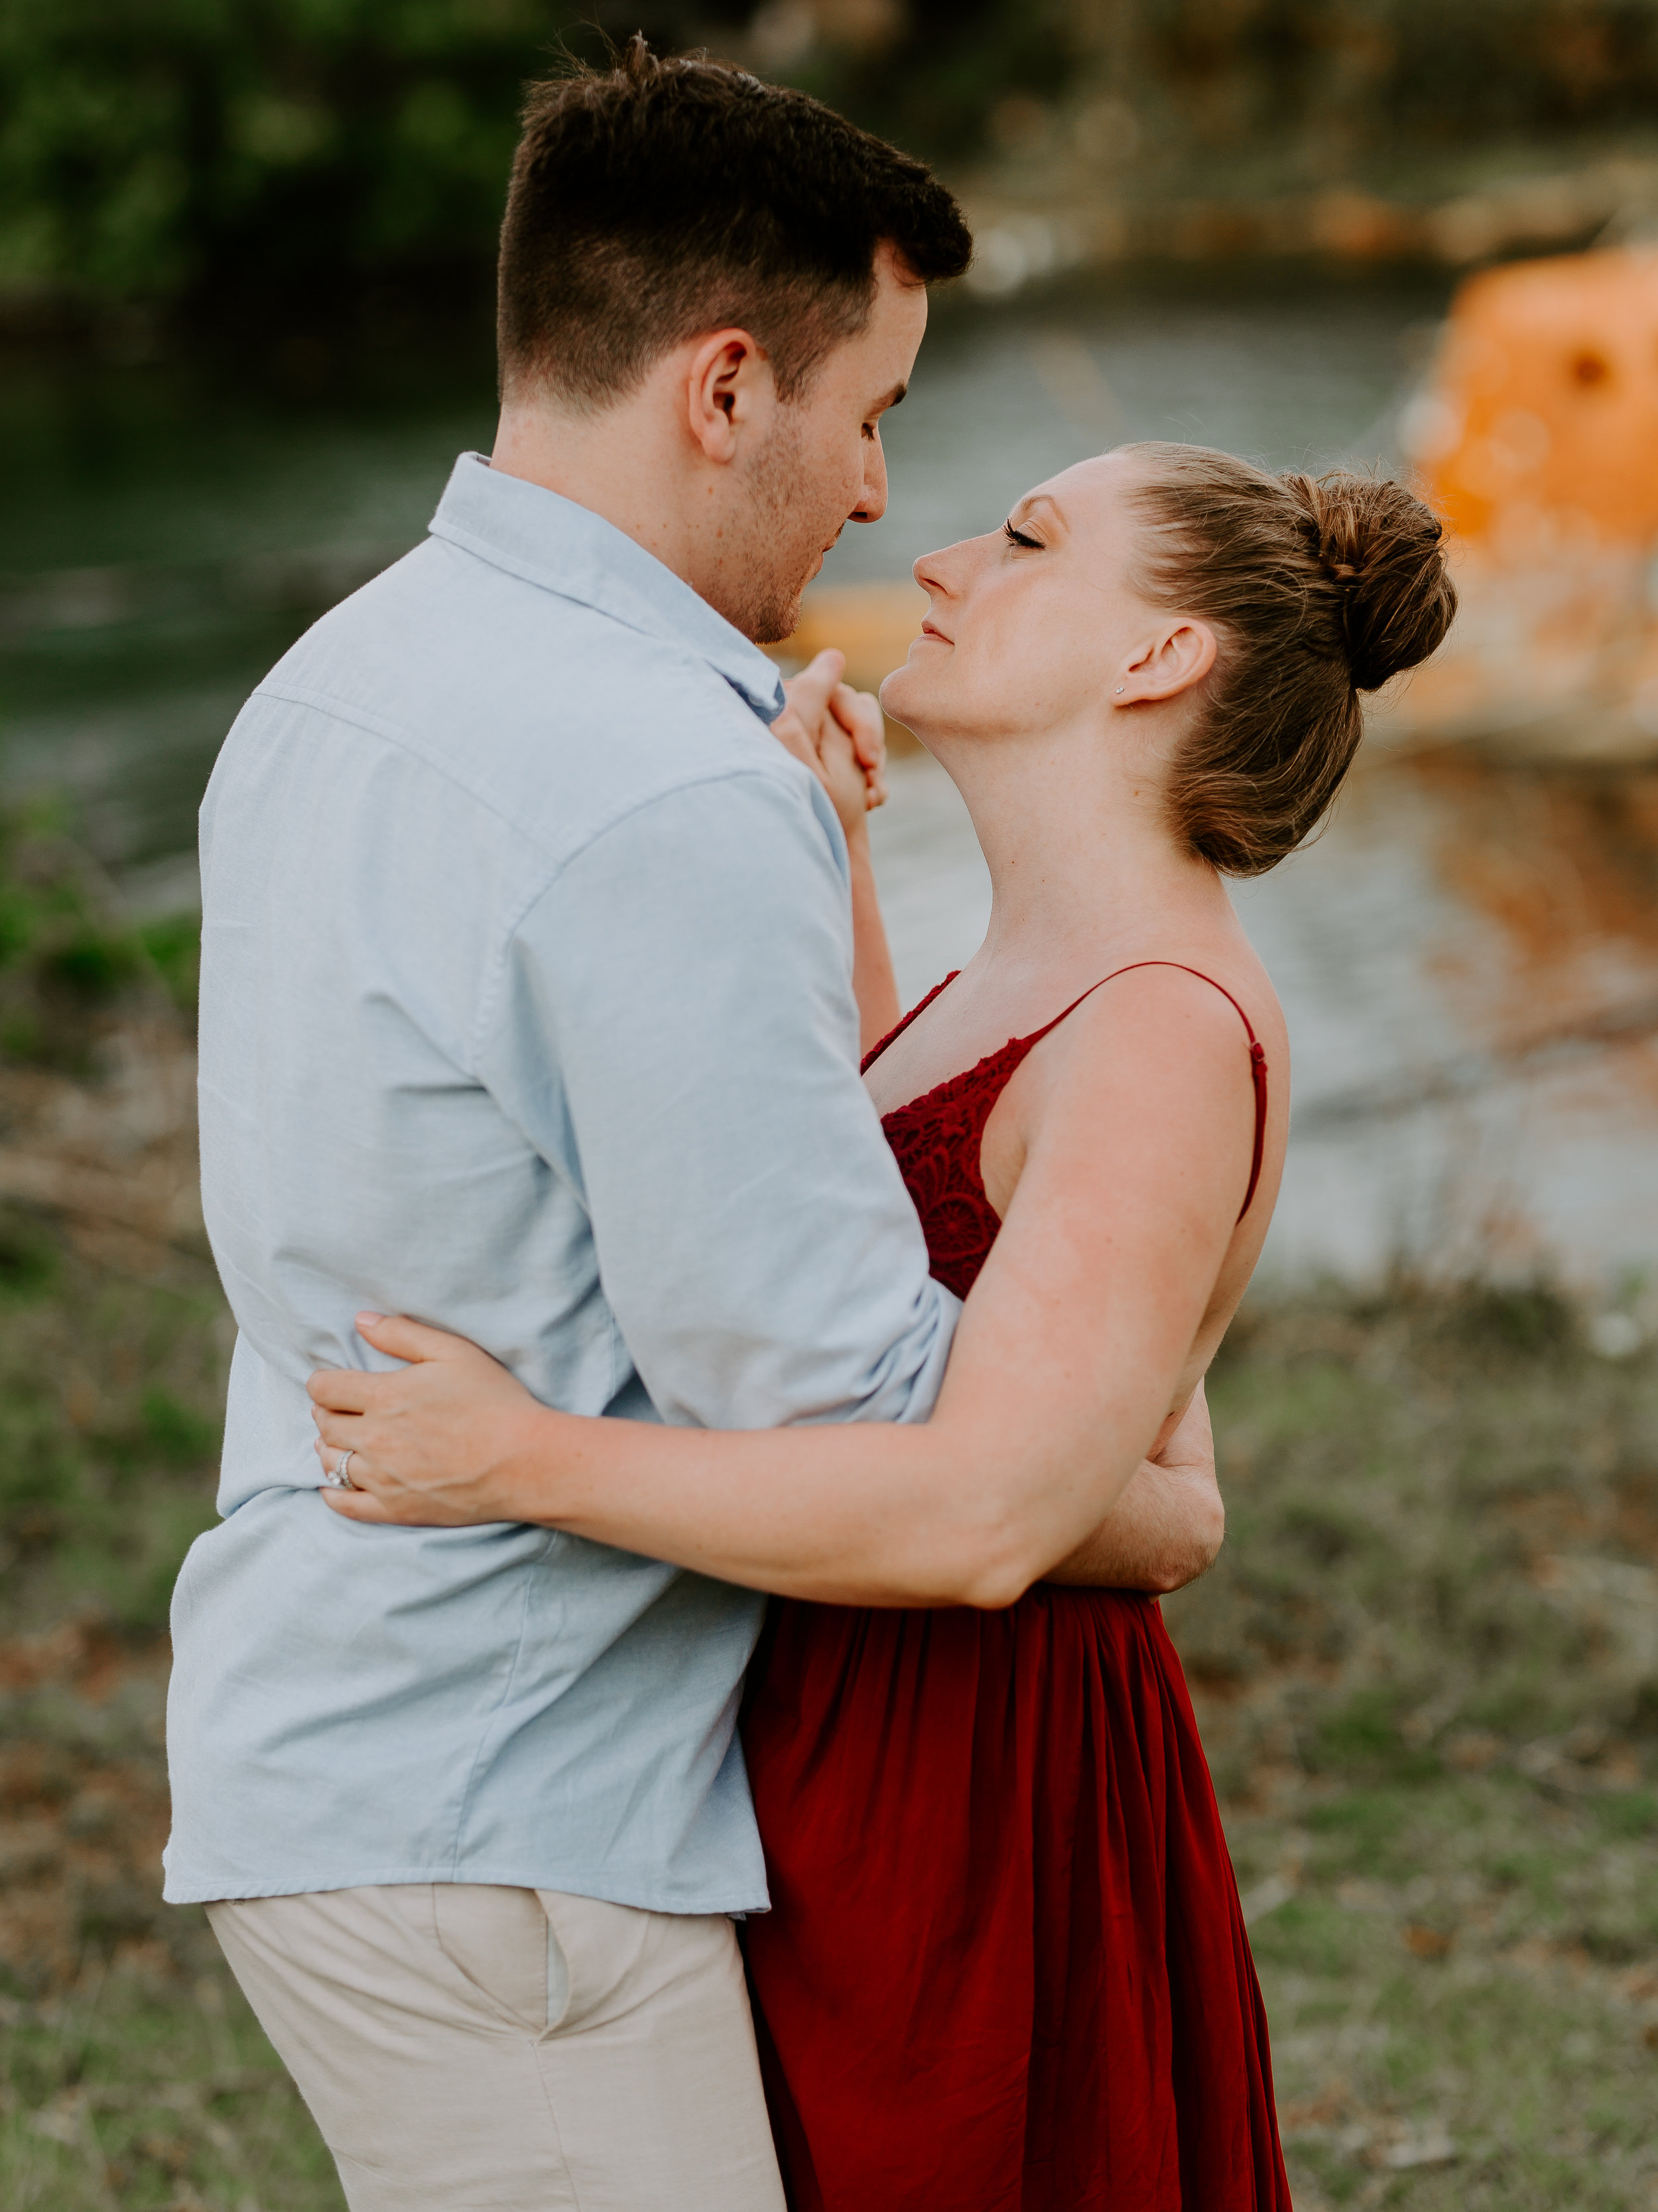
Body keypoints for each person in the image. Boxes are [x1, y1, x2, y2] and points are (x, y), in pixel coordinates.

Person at [166, 41, 1226, 2212]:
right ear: (726, 387)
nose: (868, 499)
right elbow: (857, 1418)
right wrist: (1141, 1494)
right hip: (511, 1808)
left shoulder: (342, 677)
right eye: (873, 419)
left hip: (340, 1734)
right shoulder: (655, 778)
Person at [309, 441, 1458, 2210]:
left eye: (1022, 539)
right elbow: (897, 1267)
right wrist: (836, 868)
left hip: (968, 1781)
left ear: (1156, 661)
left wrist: (518, 1459)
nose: (932, 557)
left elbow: (985, 1517)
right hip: (848, 1724)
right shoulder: (1030, 972)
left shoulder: (1154, 1027)